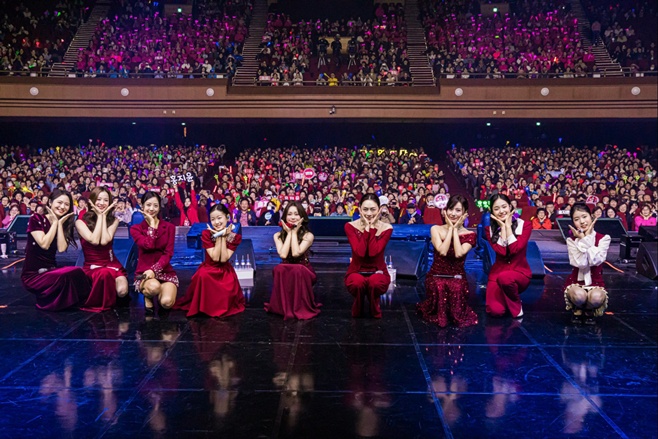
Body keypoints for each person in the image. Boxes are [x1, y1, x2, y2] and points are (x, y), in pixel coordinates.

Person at [21, 189, 91, 311]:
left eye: (66, 204)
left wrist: (59, 224)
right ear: (50, 202)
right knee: (65, 276)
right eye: (59, 202)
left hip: (52, 270)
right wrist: (54, 223)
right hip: (34, 275)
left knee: (77, 272)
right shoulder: (36, 219)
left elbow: (62, 248)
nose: (62, 207)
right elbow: (44, 244)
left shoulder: (64, 224)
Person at [417, 195, 478, 327]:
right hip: (436, 275)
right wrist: (450, 229)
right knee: (439, 287)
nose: (453, 214)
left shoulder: (470, 234)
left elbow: (459, 253)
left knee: (456, 294)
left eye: (458, 210)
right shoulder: (435, 229)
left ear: (465, 214)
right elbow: (442, 251)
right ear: (445, 210)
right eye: (450, 209)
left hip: (457, 276)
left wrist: (454, 229)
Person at [175, 204, 245, 318]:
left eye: (219, 218)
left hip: (224, 270)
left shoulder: (234, 237)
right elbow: (215, 257)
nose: (216, 222)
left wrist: (222, 236)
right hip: (208, 268)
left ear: (227, 217)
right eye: (213, 219)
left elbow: (223, 259)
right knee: (203, 275)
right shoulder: (206, 234)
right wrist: (220, 236)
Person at [265, 201, 321, 319]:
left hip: (303, 269)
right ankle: (282, 306)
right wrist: (289, 233)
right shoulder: (277, 235)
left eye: (296, 214)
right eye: (289, 214)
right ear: (285, 216)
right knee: (279, 268)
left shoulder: (308, 235)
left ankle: (300, 307)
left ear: (302, 217)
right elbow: (283, 255)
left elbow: (296, 253)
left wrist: (294, 233)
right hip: (286, 269)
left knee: (297, 270)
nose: (293, 217)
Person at [75, 187, 128, 311]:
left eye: (105, 200)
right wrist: (100, 216)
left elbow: (104, 241)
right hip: (92, 266)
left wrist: (103, 217)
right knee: (104, 274)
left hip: (111, 263)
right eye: (98, 199)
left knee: (122, 291)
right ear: (92, 201)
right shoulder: (80, 222)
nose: (102, 203)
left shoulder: (114, 220)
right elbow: (94, 240)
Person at [344, 194, 393, 318]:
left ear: (379, 210)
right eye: (365, 209)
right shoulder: (350, 226)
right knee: (357, 282)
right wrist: (367, 228)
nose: (369, 213)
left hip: (378, 270)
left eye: (373, 209)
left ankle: (374, 305)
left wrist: (370, 228)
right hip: (356, 270)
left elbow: (373, 252)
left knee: (375, 282)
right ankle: (358, 305)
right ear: (359, 209)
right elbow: (360, 253)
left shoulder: (386, 228)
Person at [130, 192, 178, 316]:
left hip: (165, 271)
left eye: (155, 205)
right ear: (142, 206)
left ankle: (158, 293)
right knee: (154, 287)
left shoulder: (169, 227)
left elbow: (168, 253)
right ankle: (148, 295)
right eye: (148, 205)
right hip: (144, 273)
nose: (152, 209)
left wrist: (155, 270)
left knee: (167, 303)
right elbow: (148, 245)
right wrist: (152, 226)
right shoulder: (136, 229)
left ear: (159, 207)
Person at [485, 194, 532, 318]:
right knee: (495, 311)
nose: (501, 211)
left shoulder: (525, 225)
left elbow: (514, 249)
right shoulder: (489, 230)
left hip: (519, 273)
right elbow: (502, 252)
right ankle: (505, 298)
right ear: (492, 211)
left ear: (510, 207)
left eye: (504, 207)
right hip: (497, 274)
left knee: (505, 278)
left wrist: (508, 227)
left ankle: (516, 303)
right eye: (496, 209)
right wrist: (502, 227)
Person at [564, 203, 610, 325]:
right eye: (577, 219)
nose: (582, 222)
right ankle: (577, 307)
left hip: (596, 283)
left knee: (596, 298)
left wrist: (585, 239)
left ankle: (589, 310)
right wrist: (582, 239)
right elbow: (581, 264)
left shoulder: (604, 238)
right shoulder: (571, 241)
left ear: (591, 216)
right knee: (579, 296)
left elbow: (596, 261)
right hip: (576, 283)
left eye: (584, 217)